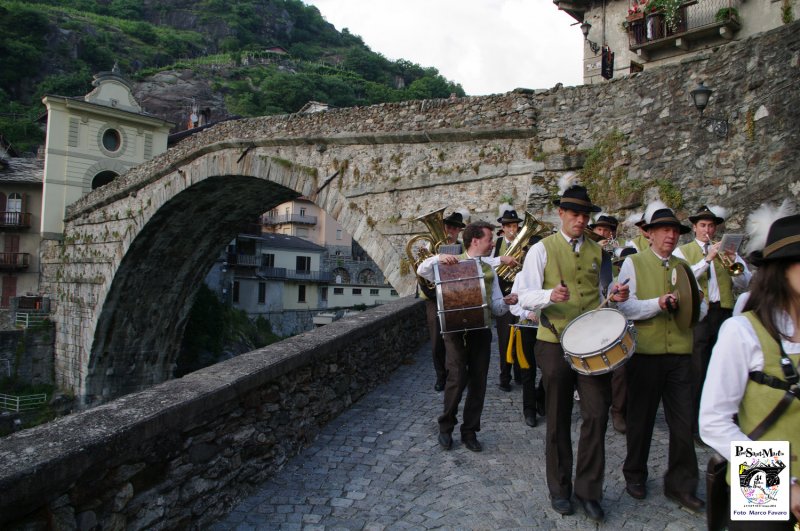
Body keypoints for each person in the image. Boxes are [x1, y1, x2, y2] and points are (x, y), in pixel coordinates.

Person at [515, 184, 629, 521]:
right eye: (574, 213)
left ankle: (589, 491)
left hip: (591, 344)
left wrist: (616, 294)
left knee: (596, 414)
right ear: (561, 214)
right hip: (552, 341)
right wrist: (550, 296)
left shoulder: (598, 251)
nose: (581, 219)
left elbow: (603, 291)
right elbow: (522, 296)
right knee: (558, 416)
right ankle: (560, 488)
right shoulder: (541, 249)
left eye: (585, 214)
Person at [699, 213, 800, 530]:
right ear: (782, 271)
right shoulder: (742, 331)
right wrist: (786, 486)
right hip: (761, 485)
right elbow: (713, 422)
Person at [616, 202, 707, 512]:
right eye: (665, 230)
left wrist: (694, 303)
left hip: (681, 355)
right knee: (640, 418)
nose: (671, 235)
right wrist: (658, 303)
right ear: (650, 234)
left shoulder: (684, 268)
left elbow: (701, 310)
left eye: (674, 231)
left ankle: (681, 484)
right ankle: (635, 474)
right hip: (646, 355)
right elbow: (626, 309)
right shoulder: (634, 263)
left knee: (682, 422)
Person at [417, 220, 518, 453]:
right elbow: (422, 270)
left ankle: (470, 431)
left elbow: (495, 307)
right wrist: (437, 258)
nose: (493, 243)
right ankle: (446, 426)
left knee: (479, 382)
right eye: (489, 239)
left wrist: (506, 301)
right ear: (475, 240)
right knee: (457, 377)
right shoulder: (450, 263)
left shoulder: (489, 269)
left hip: (481, 330)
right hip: (454, 330)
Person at [674, 205, 752, 441]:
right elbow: (682, 280)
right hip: (700, 315)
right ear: (695, 228)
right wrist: (707, 260)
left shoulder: (727, 251)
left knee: (725, 368)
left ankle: (726, 422)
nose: (708, 229)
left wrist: (731, 262)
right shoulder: (683, 251)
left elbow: (744, 282)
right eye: (703, 225)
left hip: (724, 313)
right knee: (697, 369)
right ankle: (696, 425)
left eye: (711, 225)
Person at [421, 210, 466, 392]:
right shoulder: (431, 246)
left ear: (459, 231)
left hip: (455, 298)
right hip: (434, 298)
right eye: (448, 226)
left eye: (455, 228)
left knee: (456, 339)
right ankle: (441, 376)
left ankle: (456, 374)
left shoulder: (463, 248)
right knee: (436, 341)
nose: (451, 231)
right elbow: (420, 272)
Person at [494, 208, 524, 392]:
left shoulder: (524, 245)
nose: (513, 229)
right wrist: (502, 260)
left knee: (521, 336)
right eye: (509, 226)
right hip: (503, 298)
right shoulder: (496, 245)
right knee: (504, 340)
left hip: (520, 297)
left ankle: (520, 374)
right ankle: (504, 377)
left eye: (515, 226)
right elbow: (486, 264)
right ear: (503, 228)